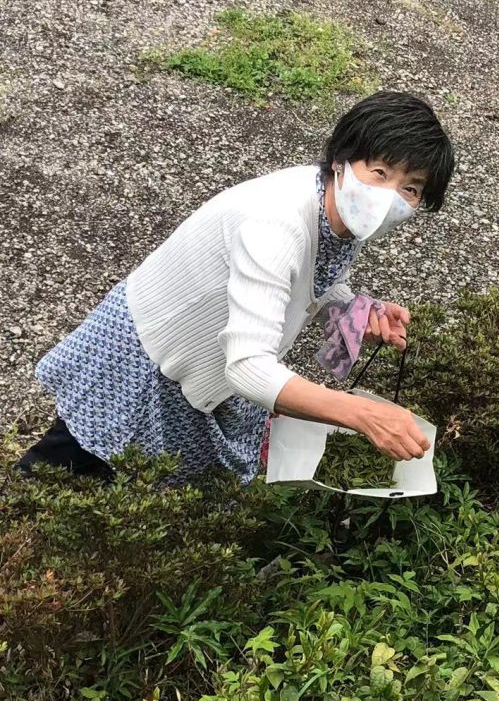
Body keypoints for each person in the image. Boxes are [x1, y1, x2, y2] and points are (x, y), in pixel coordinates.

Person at [17, 90, 453, 483]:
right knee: (61, 475)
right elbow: (247, 367)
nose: (392, 196)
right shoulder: (276, 221)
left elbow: (314, 277)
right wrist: (363, 415)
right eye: (380, 171)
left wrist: (356, 311)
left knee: (153, 503)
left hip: (200, 362)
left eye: (411, 188)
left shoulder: (337, 208)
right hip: (144, 362)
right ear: (342, 160)